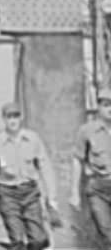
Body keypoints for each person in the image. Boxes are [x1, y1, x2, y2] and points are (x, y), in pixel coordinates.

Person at [0, 101, 58, 250]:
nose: (13, 121)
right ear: (3, 119)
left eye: (16, 116)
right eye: (9, 117)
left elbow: (45, 167)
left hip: (30, 193)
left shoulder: (33, 139)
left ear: (21, 117)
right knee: (17, 239)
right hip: (7, 194)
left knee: (38, 240)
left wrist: (52, 197)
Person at [70, 86, 111, 246]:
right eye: (106, 104)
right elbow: (77, 160)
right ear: (99, 107)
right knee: (106, 231)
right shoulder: (87, 131)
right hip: (98, 189)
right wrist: (74, 192)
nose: (110, 109)